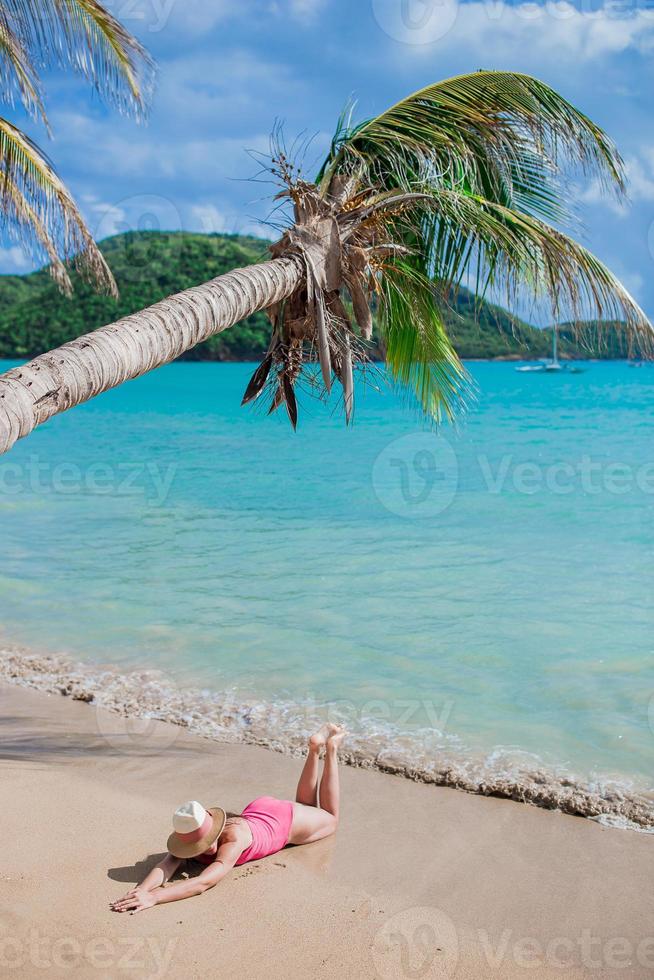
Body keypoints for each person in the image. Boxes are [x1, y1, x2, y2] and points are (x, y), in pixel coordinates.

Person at [110, 725, 346, 914]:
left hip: (286, 821)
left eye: (205, 842)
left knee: (331, 819)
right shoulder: (189, 833)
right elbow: (166, 865)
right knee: (307, 806)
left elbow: (203, 883)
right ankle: (315, 748)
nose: (204, 848)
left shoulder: (234, 839)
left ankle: (331, 749)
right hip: (259, 809)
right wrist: (140, 890)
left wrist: (154, 897)